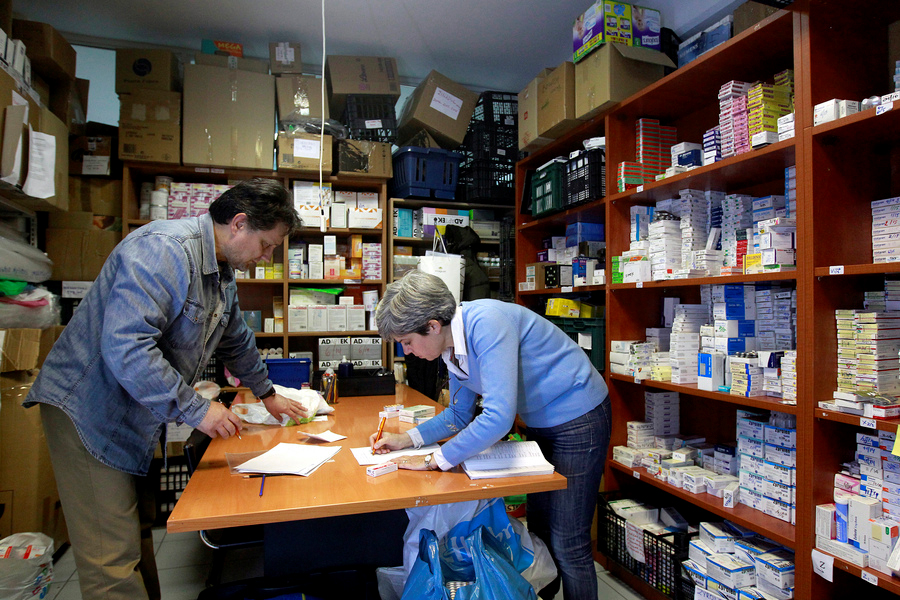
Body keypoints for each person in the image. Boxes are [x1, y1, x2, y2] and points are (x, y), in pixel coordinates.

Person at [24, 178, 310, 600]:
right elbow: (126, 345)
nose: (268, 256)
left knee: (135, 542)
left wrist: (267, 393)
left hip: (132, 413)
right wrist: (198, 410)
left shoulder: (221, 271)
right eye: (267, 245)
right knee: (110, 562)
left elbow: (235, 339)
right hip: (88, 410)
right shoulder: (164, 249)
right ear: (239, 224)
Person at [371, 270, 611, 600]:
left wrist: (434, 459)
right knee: (540, 532)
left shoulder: (486, 323)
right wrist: (407, 439)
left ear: (432, 325)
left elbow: (497, 418)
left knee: (568, 541)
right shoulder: (451, 347)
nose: (407, 351)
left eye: (407, 341)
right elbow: (457, 416)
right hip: (541, 422)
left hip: (579, 416)